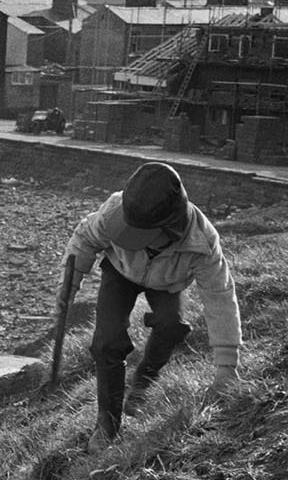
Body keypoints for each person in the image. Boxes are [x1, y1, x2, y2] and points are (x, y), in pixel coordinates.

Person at [60, 161, 240, 450]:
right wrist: (69, 287)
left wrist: (226, 366)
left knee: (172, 326)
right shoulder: (115, 209)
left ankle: (144, 381)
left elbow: (220, 297)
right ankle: (107, 424)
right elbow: (85, 238)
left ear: (171, 227)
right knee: (107, 341)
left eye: (139, 232)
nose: (130, 233)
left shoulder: (202, 244)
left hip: (167, 282)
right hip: (120, 269)